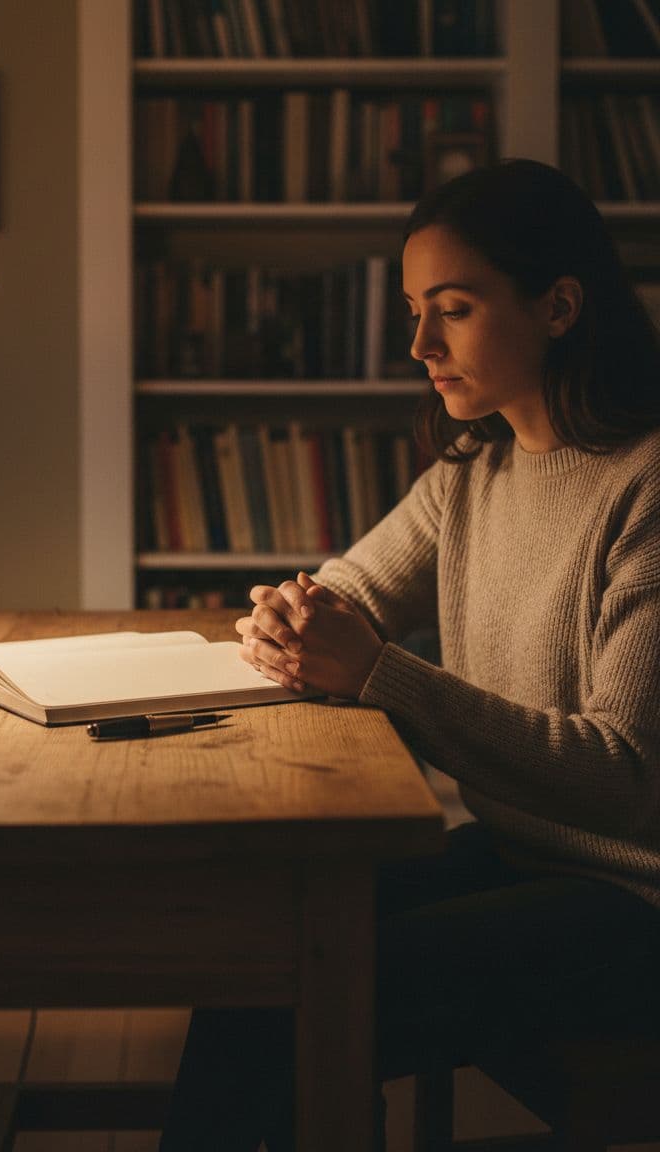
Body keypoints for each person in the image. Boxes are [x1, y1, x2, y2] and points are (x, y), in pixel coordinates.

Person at [157, 158, 660, 1152]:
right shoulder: (471, 469)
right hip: (524, 853)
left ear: (557, 306)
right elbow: (346, 590)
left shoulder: (644, 486)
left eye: (453, 309)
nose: (418, 343)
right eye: (411, 310)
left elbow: (620, 779)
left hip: (631, 895)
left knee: (308, 984)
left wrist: (378, 673)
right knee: (253, 950)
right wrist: (290, 621)